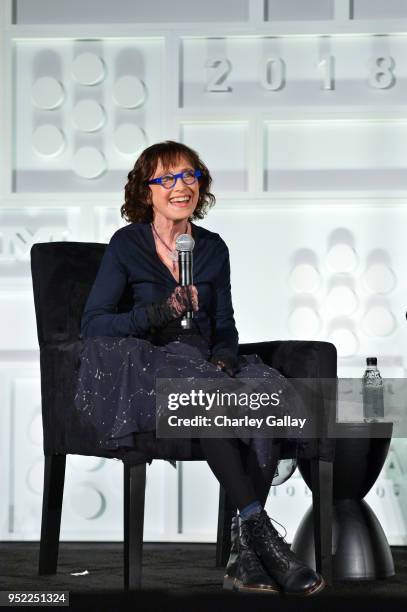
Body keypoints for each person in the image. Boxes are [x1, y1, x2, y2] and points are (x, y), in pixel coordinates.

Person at [75, 140, 324, 596]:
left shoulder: (211, 249)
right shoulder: (126, 245)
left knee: (262, 393)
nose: (180, 186)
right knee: (202, 395)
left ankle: (246, 551)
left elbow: (226, 325)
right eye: (167, 178)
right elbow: (94, 324)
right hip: (146, 364)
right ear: (146, 191)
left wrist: (225, 358)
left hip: (202, 362)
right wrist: (159, 311)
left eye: (189, 176)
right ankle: (260, 539)